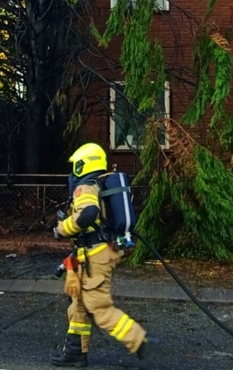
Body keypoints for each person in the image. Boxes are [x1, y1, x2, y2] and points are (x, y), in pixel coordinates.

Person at [51, 142, 156, 367]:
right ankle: (75, 352)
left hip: (95, 255)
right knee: (78, 306)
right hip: (95, 253)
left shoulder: (85, 188)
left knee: (98, 307)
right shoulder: (99, 185)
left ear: (83, 164)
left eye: (75, 166)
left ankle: (141, 342)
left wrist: (62, 229)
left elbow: (88, 214)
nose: (72, 172)